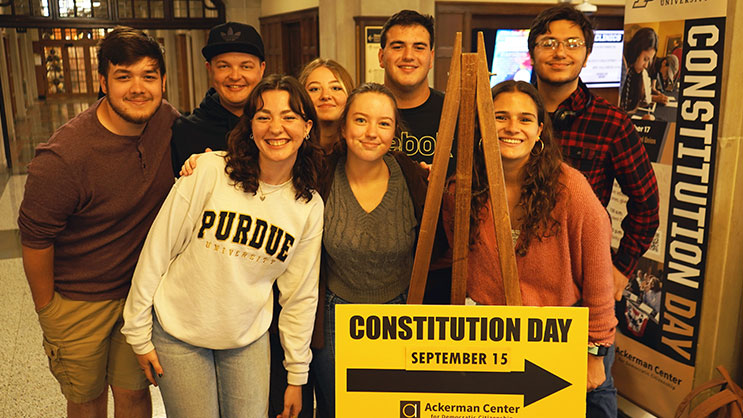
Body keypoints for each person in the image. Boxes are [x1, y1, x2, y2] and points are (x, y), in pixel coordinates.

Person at [122, 74, 324, 418]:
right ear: (250, 127)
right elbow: (158, 251)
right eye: (264, 117)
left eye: (289, 117)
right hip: (178, 332)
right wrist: (138, 332)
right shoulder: (210, 172)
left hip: (246, 338)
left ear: (306, 128)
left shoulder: (308, 206)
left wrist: (296, 374)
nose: (276, 128)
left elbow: (299, 296)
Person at [17, 27, 179, 418]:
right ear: (103, 82)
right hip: (79, 302)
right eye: (124, 76)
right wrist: (49, 312)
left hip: (139, 299)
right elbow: (35, 239)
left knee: (135, 394)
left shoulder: (167, 124)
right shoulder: (64, 157)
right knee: (87, 400)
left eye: (149, 76)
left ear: (162, 81)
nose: (138, 88)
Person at [443, 80, 617, 415]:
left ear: (539, 130)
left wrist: (594, 354)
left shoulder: (571, 190)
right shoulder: (460, 190)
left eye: (524, 119)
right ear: (483, 125)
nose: (512, 128)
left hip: (565, 340)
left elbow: (599, 278)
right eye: (500, 117)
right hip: (494, 343)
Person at [528, 5, 659, 417]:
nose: (560, 52)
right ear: (533, 51)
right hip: (517, 293)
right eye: (549, 42)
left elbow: (645, 205)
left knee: (593, 390)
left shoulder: (612, 123)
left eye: (572, 43)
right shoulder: (510, 114)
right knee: (522, 394)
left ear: (586, 54)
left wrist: (619, 270)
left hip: (583, 291)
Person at [312, 83, 442, 418]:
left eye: (383, 123)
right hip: (334, 318)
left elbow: (440, 245)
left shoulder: (414, 176)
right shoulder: (319, 175)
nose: (372, 132)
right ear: (343, 127)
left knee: (392, 410)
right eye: (361, 120)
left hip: (401, 315)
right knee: (339, 409)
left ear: (395, 131)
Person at [379, 9, 452, 304]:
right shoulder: (362, 111)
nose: (408, 55)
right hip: (373, 268)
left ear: (431, 57)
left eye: (419, 47)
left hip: (441, 269)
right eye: (398, 46)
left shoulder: (456, 111)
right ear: (382, 56)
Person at [171, 21, 266, 174]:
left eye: (246, 66)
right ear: (210, 69)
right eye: (224, 66)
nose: (235, 76)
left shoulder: (278, 126)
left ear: (261, 69)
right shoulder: (185, 131)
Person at [298, 58, 355, 151]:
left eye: (335, 88)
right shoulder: (292, 151)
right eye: (315, 89)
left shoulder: (360, 150)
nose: (325, 96)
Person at [621, 27, 664, 113]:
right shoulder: (621, 64)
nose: (646, 65)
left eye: (649, 61)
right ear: (636, 51)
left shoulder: (634, 70)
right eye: (645, 59)